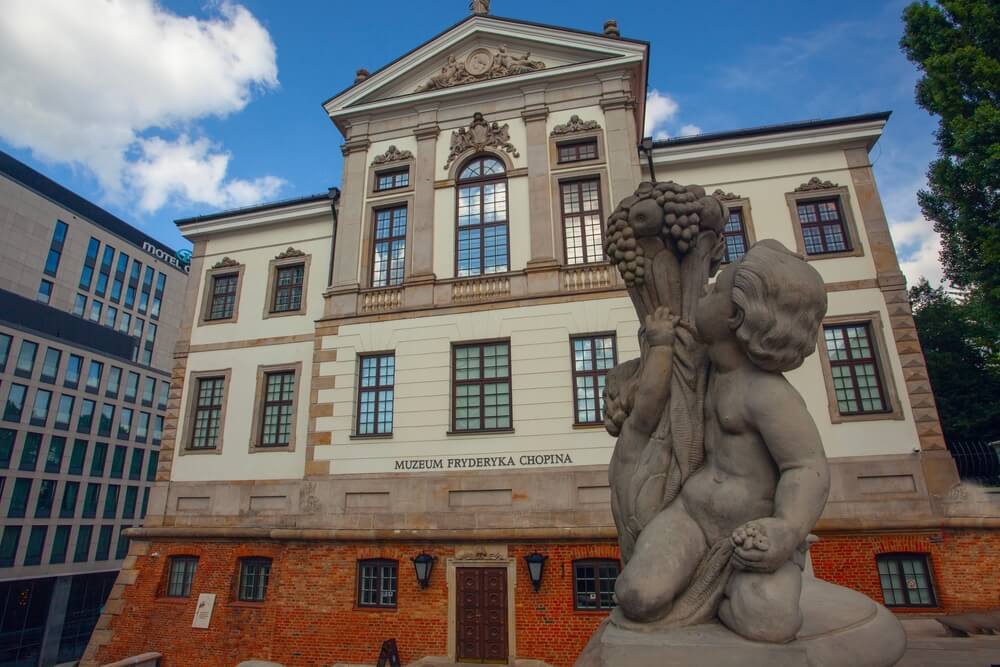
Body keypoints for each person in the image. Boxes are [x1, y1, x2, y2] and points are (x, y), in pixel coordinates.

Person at [614, 240, 830, 643]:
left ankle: (740, 583)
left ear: (736, 316)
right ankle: (715, 586)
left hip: (748, 532)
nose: (705, 293)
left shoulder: (766, 394)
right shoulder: (704, 367)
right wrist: (654, 351)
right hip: (690, 516)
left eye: (713, 291)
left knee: (770, 623)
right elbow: (647, 398)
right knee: (637, 596)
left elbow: (806, 465)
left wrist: (787, 528)